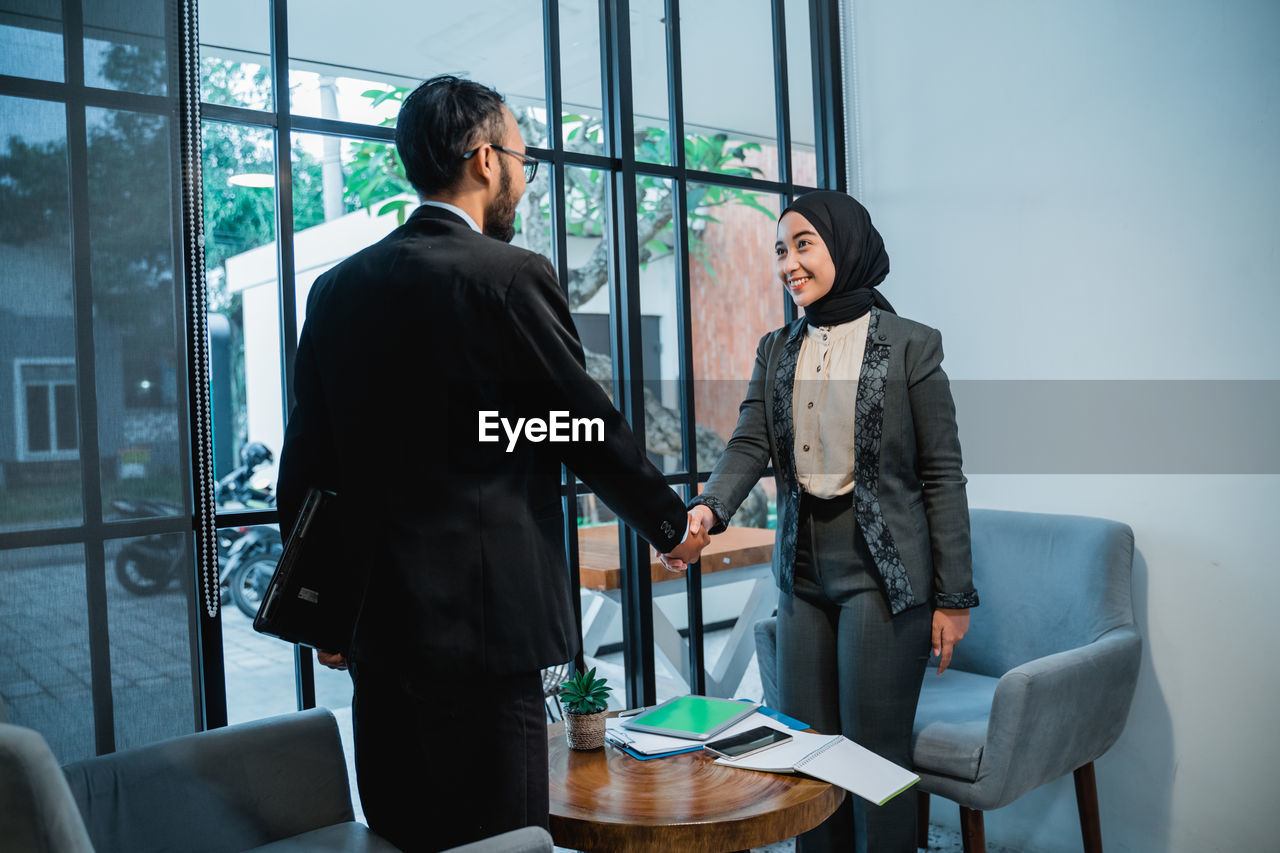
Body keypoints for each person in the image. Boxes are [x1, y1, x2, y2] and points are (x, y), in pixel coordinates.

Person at [275, 75, 708, 852]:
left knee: (403, 834)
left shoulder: (337, 290)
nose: (525, 171)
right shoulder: (507, 277)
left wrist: (323, 608)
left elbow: (308, 463)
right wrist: (669, 522)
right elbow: (582, 424)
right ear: (483, 159)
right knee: (504, 840)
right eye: (521, 155)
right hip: (487, 640)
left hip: (379, 635)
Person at [662, 190, 979, 852]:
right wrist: (708, 509)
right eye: (781, 249)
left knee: (873, 756)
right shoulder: (777, 348)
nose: (789, 262)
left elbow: (942, 476)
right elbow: (751, 441)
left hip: (883, 576)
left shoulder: (912, 346)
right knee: (804, 751)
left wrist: (953, 597)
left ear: (846, 244)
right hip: (802, 571)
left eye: (803, 243)